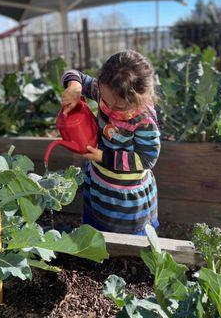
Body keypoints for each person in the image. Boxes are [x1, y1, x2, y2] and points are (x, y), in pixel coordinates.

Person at [61, 50, 160, 235]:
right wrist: (74, 88)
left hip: (127, 199)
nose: (110, 110)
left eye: (120, 107)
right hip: (99, 184)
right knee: (96, 230)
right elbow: (74, 74)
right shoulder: (105, 92)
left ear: (141, 98)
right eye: (106, 101)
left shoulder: (144, 121)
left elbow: (146, 159)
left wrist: (103, 157)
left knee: (132, 244)